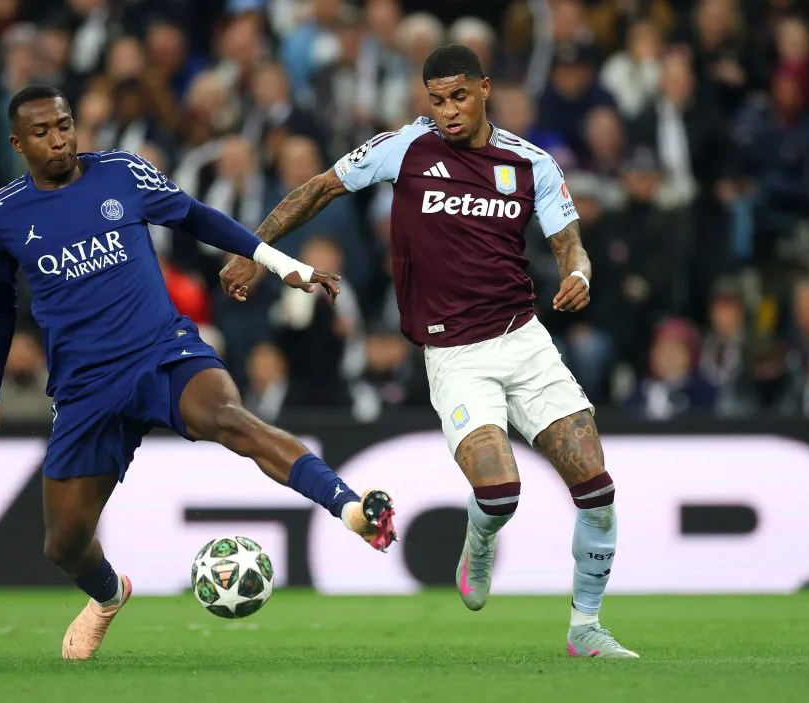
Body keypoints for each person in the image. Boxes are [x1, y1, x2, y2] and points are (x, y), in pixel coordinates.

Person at [221, 45, 638, 659]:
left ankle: (586, 629)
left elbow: (570, 242)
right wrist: (254, 253)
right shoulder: (403, 149)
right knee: (501, 493)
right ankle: (482, 533)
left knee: (596, 489)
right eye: (437, 100)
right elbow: (317, 190)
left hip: (525, 343)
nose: (447, 110)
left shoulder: (530, 164)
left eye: (459, 97)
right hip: (455, 355)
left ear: (485, 89)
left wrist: (579, 272)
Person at [0, 86, 397, 660]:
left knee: (228, 418)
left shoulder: (122, 174)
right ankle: (106, 596)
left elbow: (197, 218)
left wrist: (282, 264)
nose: (60, 139)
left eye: (66, 124)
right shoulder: (0, 219)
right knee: (64, 544)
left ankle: (351, 507)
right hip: (84, 386)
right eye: (44, 132)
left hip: (160, 351)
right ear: (17, 142)